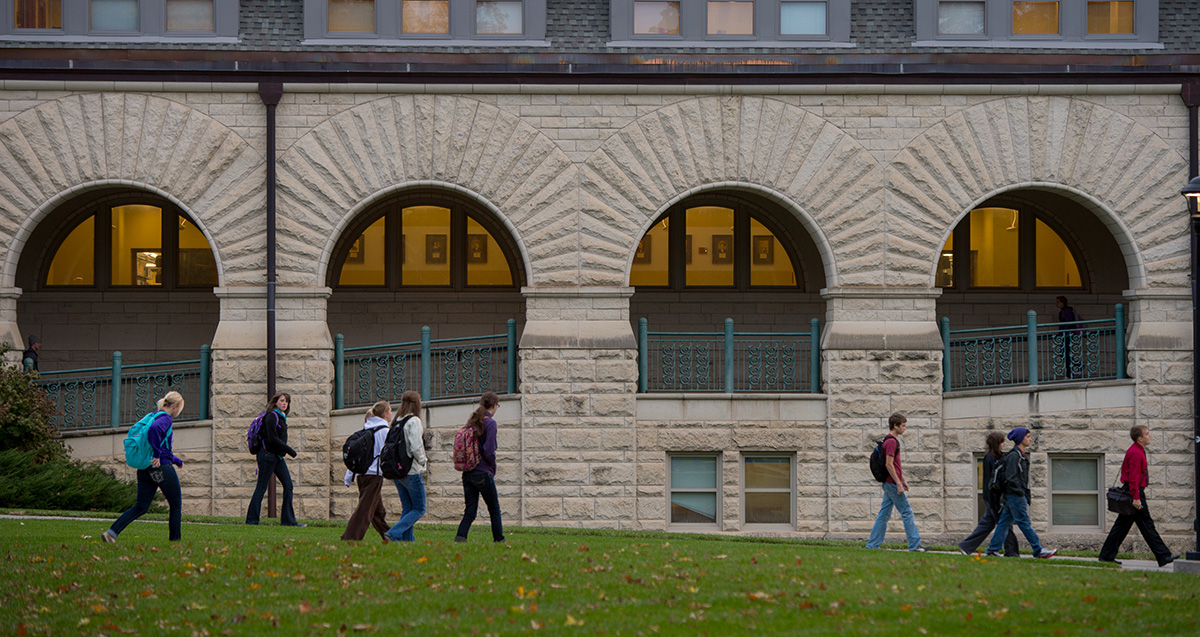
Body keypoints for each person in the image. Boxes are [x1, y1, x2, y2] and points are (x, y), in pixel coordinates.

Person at [102, 391, 185, 543]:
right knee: (176, 505)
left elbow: (160, 445)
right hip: (161, 468)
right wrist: (157, 455)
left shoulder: (152, 416)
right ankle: (175, 542)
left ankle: (111, 533)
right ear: (175, 406)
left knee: (141, 506)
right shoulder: (165, 418)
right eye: (180, 408)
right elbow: (154, 432)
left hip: (145, 469)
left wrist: (176, 460)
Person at [1098, 426, 1179, 567]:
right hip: (1134, 493)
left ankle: (1106, 556)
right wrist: (1136, 498)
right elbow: (1133, 478)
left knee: (1123, 526)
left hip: (1134, 492)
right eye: (1147, 434)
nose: (1150, 436)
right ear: (1140, 438)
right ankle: (1163, 556)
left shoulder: (1137, 450)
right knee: (1146, 525)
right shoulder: (1136, 452)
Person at [985, 427, 1058, 559]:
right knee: (1024, 522)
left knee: (1004, 523)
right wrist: (1020, 493)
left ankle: (992, 550)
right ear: (1020, 439)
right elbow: (1010, 477)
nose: (1030, 439)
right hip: (1015, 496)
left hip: (1013, 496)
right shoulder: (1014, 456)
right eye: (1028, 436)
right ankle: (1038, 549)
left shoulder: (1019, 455)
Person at [865, 413, 927, 552]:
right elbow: (889, 464)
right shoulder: (892, 441)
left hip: (890, 483)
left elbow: (896, 465)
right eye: (903, 426)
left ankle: (872, 545)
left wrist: (903, 480)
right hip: (892, 484)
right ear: (895, 426)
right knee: (907, 512)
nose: (905, 428)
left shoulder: (889, 441)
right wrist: (898, 483)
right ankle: (914, 545)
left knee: (884, 514)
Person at [246, 392, 304, 527]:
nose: (284, 403)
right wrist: (290, 450)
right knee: (261, 487)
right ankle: (252, 520)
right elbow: (272, 439)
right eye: (282, 401)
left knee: (288, 485)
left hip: (276, 457)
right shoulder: (272, 417)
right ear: (275, 402)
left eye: (287, 402)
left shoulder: (281, 417)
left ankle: (288, 521)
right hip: (267, 456)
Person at [957, 432, 1020, 557]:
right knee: (1005, 523)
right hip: (993, 498)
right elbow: (989, 481)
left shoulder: (1001, 457)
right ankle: (1011, 551)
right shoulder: (989, 458)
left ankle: (966, 546)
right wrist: (992, 499)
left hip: (997, 497)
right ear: (996, 444)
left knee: (987, 525)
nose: (1004, 444)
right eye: (1002, 442)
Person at [455, 392, 505, 543]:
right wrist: (492, 467)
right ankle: (499, 540)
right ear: (495, 405)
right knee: (494, 509)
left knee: (470, 510)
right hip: (483, 472)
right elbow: (489, 450)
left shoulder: (473, 420)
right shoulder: (490, 423)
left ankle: (460, 537)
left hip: (468, 471)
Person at [341, 400, 392, 542]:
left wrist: (349, 477)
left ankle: (390, 536)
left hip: (362, 475)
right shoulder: (384, 432)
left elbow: (358, 456)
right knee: (365, 511)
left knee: (377, 511)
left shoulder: (367, 430)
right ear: (385, 414)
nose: (391, 414)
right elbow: (386, 455)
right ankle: (350, 538)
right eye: (390, 411)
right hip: (374, 476)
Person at [385, 391, 428, 542]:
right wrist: (423, 461)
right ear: (417, 404)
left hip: (398, 472)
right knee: (420, 508)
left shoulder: (397, 420)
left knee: (408, 508)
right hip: (412, 471)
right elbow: (416, 447)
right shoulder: (414, 421)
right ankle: (393, 533)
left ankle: (407, 542)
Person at [1056, 296, 1080, 378]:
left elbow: (1069, 323)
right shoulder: (1064, 311)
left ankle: (1075, 367)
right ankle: (1073, 368)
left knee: (1064, 353)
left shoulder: (1066, 311)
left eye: (1058, 302)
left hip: (1067, 334)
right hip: (1065, 334)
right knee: (1064, 353)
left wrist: (1062, 331)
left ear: (1063, 302)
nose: (1057, 304)